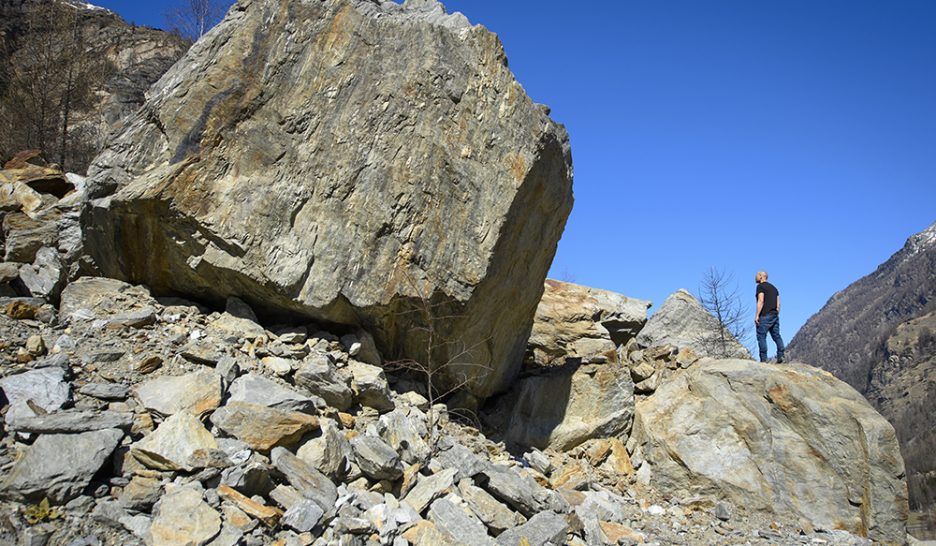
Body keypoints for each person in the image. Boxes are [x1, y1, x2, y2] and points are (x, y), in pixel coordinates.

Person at [754, 270, 784, 363]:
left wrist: (757, 315)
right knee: (776, 336)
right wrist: (776, 313)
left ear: (761, 276)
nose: (755, 277)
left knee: (761, 336)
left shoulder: (760, 287)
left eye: (757, 275)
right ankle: (781, 355)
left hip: (765, 315)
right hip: (774, 314)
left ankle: (763, 359)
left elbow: (761, 300)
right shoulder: (774, 288)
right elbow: (778, 304)